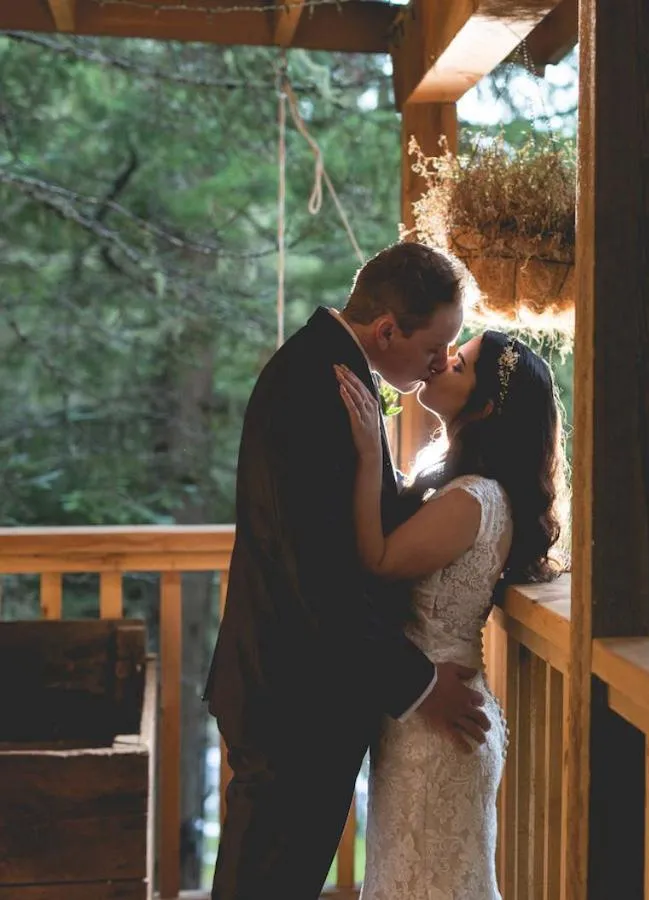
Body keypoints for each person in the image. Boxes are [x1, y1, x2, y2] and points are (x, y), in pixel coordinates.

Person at [205, 242, 492, 899]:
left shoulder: (331, 370)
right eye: (435, 346)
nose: (440, 362)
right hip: (293, 697)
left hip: (299, 690)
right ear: (388, 329)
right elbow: (322, 575)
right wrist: (422, 684)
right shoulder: (317, 386)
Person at [334, 328, 566, 899]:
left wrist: (368, 452)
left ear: (485, 407)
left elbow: (380, 560)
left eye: (458, 364)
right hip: (427, 715)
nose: (440, 362)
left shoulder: (474, 497)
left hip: (438, 729)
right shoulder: (466, 486)